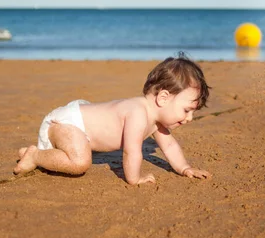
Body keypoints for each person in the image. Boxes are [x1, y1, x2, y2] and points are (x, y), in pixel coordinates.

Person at [13, 53, 211, 185]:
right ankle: (35, 155)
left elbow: (170, 147)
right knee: (80, 163)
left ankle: (42, 152)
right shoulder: (138, 113)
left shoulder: (156, 122)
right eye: (187, 110)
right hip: (70, 124)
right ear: (163, 98)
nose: (189, 118)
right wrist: (134, 179)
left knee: (79, 152)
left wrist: (185, 168)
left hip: (80, 130)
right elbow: (131, 151)